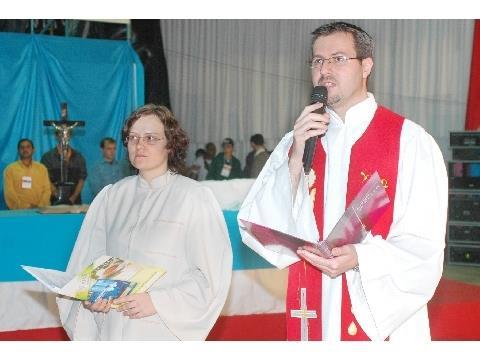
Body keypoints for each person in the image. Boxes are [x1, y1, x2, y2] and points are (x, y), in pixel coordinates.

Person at [238, 22, 447, 341]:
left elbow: (425, 246)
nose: (324, 70)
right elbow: (258, 226)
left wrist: (362, 257)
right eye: (317, 61)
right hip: (312, 305)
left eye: (337, 58)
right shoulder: (297, 141)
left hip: (377, 306)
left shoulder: (410, 142)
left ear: (366, 66)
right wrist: (294, 159)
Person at [56, 104, 233, 340]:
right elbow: (89, 261)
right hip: (112, 329)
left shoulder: (193, 198)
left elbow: (211, 278)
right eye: (133, 138)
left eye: (151, 138)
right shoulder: (111, 197)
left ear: (170, 144)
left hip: (160, 327)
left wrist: (157, 301)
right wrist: (90, 297)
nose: (139, 145)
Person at [41, 129, 87, 205]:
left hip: (75, 202)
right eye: (61, 134)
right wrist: (58, 196)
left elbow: (82, 179)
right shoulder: (47, 157)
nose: (64, 136)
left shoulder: (78, 157)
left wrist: (73, 198)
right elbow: (46, 179)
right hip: (54, 201)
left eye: (67, 134)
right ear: (56, 136)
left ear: (70, 136)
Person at [3, 138, 51, 209]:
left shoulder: (42, 169)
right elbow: (9, 194)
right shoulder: (10, 169)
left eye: (28, 147)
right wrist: (25, 207)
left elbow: (47, 190)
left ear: (33, 150)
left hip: (41, 211)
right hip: (18, 212)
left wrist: (40, 206)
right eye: (22, 147)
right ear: (18, 151)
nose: (25, 149)